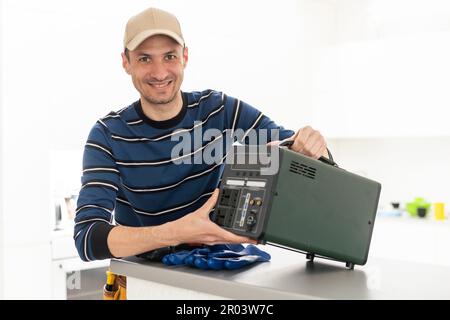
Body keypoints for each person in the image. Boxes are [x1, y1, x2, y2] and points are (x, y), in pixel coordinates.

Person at [74, 7, 331, 262]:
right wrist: (177, 232)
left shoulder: (220, 111)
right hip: (142, 278)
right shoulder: (107, 135)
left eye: (169, 56)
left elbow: (298, 156)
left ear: (185, 57)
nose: (159, 72)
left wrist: (311, 147)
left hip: (215, 269)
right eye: (144, 58)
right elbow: (87, 238)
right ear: (126, 62)